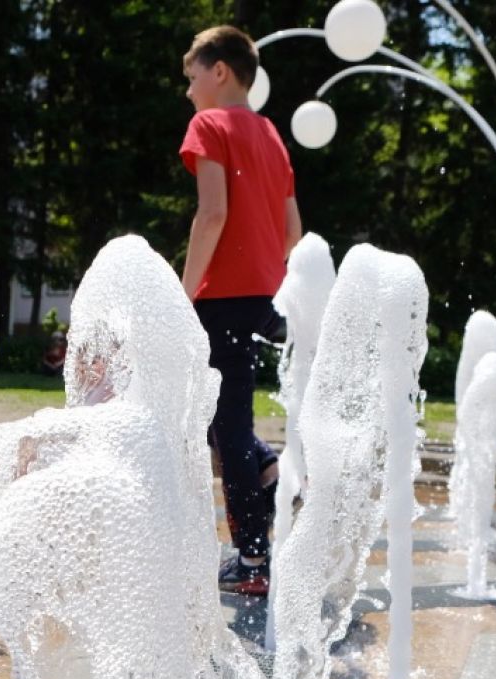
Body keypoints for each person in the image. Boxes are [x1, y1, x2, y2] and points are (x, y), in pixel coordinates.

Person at [179, 25, 302, 597]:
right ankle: (267, 466)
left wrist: (182, 295)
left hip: (221, 296)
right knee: (217, 417)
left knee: (224, 425)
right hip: (266, 295)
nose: (189, 91)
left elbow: (212, 214)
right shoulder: (272, 134)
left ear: (219, 70)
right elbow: (292, 227)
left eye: (192, 76)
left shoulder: (209, 125)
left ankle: (252, 560)